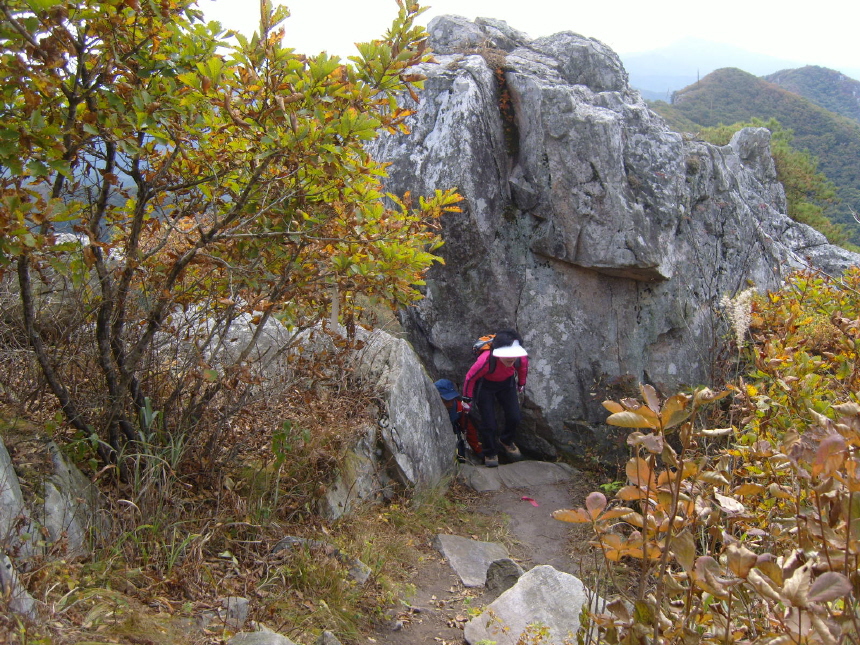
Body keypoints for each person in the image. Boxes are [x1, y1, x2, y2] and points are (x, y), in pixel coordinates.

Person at [462, 329, 528, 468]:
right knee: (489, 423)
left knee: (514, 417)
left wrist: (521, 383)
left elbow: (523, 369)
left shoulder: (520, 358)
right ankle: (490, 452)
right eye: (507, 355)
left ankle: (506, 440)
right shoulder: (485, 360)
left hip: (507, 384)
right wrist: (467, 399)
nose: (511, 359)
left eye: (513, 355)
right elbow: (470, 378)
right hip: (486, 386)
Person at [434, 378, 482, 463]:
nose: (450, 404)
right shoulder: (430, 410)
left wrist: (478, 450)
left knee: (460, 451)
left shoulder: (458, 407)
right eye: (446, 401)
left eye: (452, 400)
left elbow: (468, 429)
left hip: (453, 434)